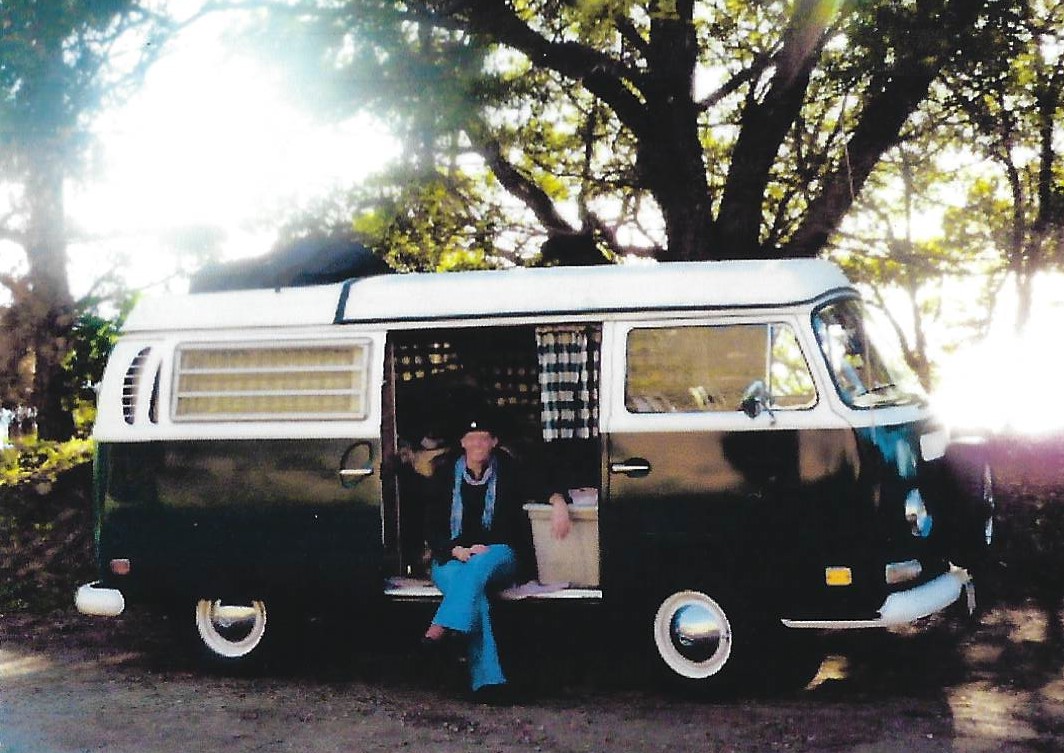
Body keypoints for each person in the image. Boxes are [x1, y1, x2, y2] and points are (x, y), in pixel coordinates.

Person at [422, 413, 541, 703]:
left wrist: (559, 502)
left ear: (494, 443)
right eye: (472, 438)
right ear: (462, 443)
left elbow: (543, 487)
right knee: (477, 599)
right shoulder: (444, 475)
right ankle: (488, 682)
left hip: (497, 554)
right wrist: (455, 550)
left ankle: (440, 628)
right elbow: (430, 528)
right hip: (452, 557)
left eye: (484, 438)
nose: (478, 443)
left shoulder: (509, 472)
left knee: (478, 564)